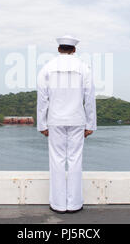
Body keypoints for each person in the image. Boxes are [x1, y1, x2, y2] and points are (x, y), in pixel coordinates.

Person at [37, 35, 97, 214]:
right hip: (77, 119)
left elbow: (42, 98)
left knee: (56, 160)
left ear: (58, 49)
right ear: (74, 50)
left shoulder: (47, 68)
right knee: (75, 160)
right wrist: (90, 124)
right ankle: (74, 204)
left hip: (55, 120)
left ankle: (57, 204)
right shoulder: (84, 68)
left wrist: (42, 124)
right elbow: (90, 98)